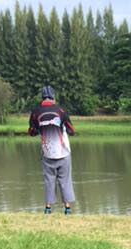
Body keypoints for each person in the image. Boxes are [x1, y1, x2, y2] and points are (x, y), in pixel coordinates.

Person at [28, 85, 76, 215]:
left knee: (49, 180)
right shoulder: (61, 110)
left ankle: (48, 209)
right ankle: (67, 209)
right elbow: (72, 131)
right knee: (64, 180)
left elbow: (31, 132)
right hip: (63, 153)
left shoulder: (35, 111)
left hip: (47, 153)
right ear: (53, 97)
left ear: (42, 97)